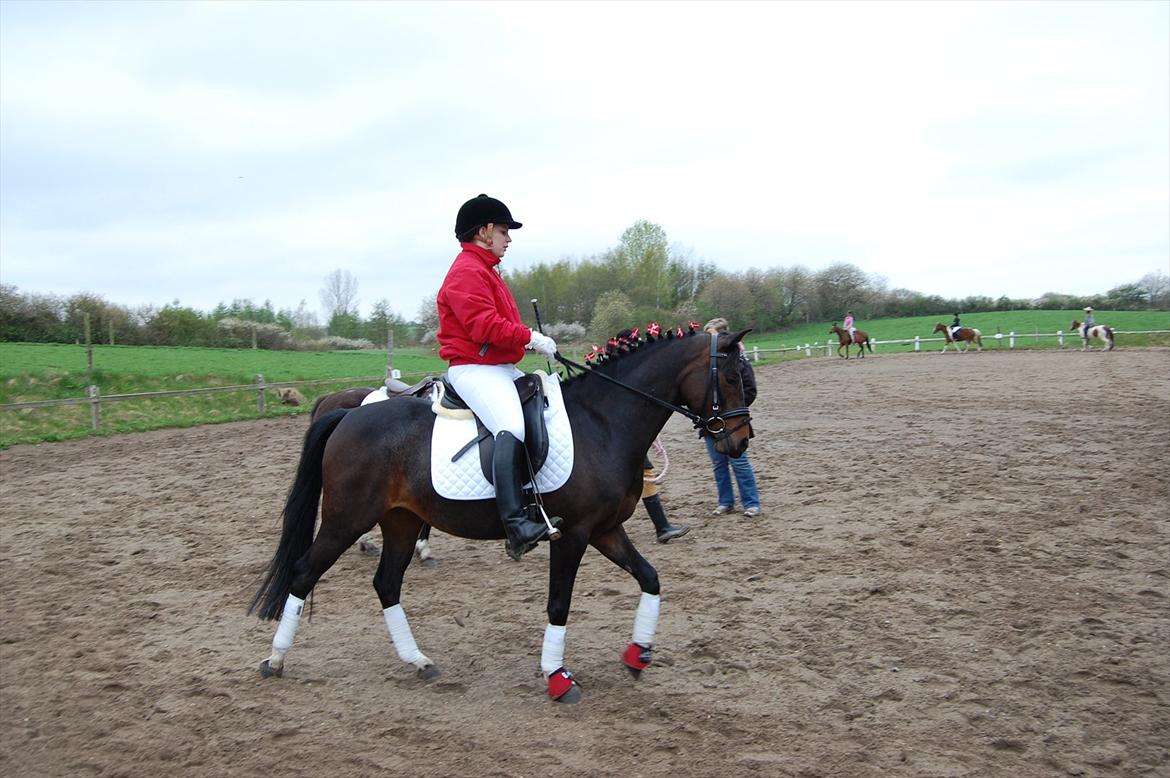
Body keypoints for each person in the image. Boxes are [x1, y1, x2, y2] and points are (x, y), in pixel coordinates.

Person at [436, 194, 558, 559]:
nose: (509, 239)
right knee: (511, 425)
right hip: (474, 368)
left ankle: (536, 500)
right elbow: (483, 326)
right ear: (484, 231)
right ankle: (515, 524)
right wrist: (529, 337)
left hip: (499, 366)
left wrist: (527, 343)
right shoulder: (466, 271)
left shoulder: (486, 270)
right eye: (504, 231)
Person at [703, 317, 761, 518]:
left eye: (711, 336)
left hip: (732, 423)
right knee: (718, 464)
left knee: (739, 462)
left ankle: (751, 502)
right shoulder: (706, 364)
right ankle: (725, 502)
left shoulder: (739, 361)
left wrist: (732, 412)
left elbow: (750, 390)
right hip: (710, 423)